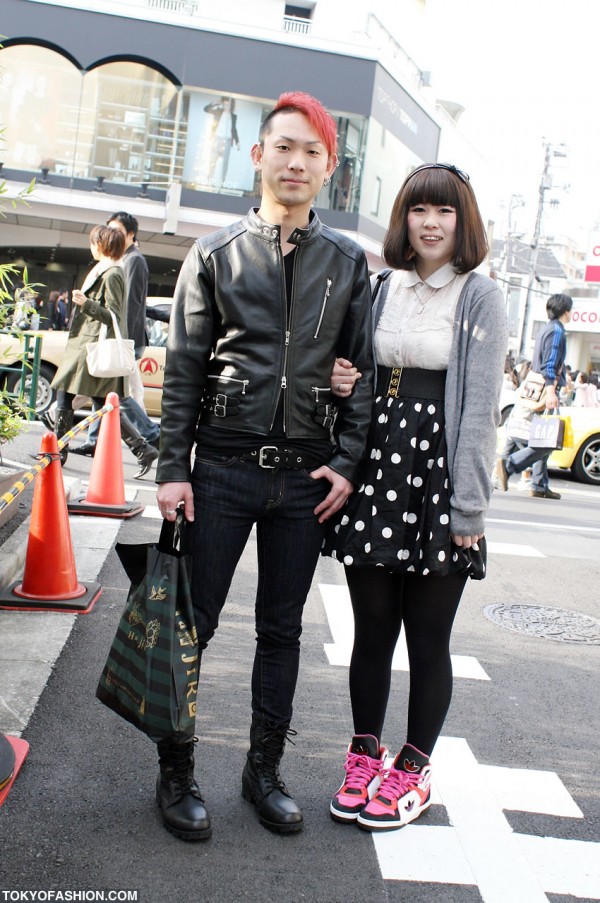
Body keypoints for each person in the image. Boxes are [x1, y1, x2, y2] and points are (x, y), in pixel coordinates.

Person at [154, 91, 374, 841]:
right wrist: (170, 467)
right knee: (193, 625)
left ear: (329, 169)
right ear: (259, 155)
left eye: (312, 152)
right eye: (284, 146)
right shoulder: (215, 253)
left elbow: (364, 371)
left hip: (305, 476)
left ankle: (263, 771)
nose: (296, 162)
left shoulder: (348, 263)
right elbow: (183, 365)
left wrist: (346, 459)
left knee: (282, 630)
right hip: (219, 466)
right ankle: (177, 774)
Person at [323, 162, 507, 832]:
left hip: (438, 477)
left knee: (429, 637)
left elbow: (480, 408)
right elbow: (367, 378)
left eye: (445, 211)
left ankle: (414, 766)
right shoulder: (383, 286)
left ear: (463, 222)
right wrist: (347, 383)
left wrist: (469, 510)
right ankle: (364, 753)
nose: (431, 223)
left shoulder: (479, 296)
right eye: (420, 210)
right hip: (377, 469)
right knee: (371, 631)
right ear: (403, 218)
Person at [50, 225, 158, 477]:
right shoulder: (103, 269)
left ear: (101, 244)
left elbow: (114, 316)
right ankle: (59, 451)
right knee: (71, 395)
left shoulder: (112, 274)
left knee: (102, 403)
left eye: (92, 243)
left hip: (92, 349)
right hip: (84, 347)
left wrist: (86, 304)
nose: (91, 247)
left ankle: (142, 448)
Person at [72, 211, 160, 457]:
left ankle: (152, 436)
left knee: (121, 395)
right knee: (110, 392)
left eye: (118, 231)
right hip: (119, 337)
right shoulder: (120, 260)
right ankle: (96, 439)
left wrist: (121, 342)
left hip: (124, 338)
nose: (112, 235)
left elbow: (128, 305)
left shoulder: (133, 261)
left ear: (130, 234)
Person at [495, 293, 573, 500]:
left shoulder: (545, 329)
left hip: (533, 386)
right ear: (565, 311)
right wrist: (550, 391)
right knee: (546, 441)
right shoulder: (557, 331)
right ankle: (509, 465)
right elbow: (550, 363)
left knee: (542, 435)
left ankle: (539, 484)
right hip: (544, 389)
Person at [204, 96, 240, 187]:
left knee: (225, 163)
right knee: (213, 161)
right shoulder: (218, 112)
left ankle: (222, 183)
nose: (226, 107)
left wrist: (237, 142)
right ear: (223, 105)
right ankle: (209, 181)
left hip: (227, 140)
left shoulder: (233, 116)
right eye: (225, 105)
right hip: (217, 138)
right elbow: (206, 109)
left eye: (228, 105)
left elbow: (234, 129)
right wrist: (215, 103)